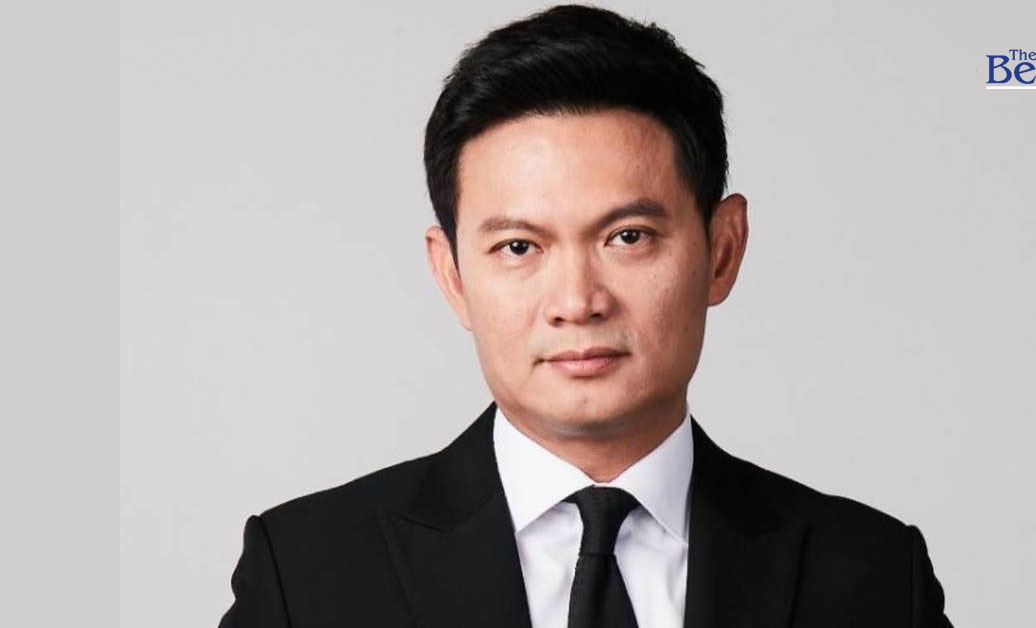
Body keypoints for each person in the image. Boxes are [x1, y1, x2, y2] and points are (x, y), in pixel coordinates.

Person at [218, 4, 953, 627]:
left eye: (627, 237)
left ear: (723, 251)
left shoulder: (875, 577)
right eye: (518, 247)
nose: (577, 302)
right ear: (452, 275)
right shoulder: (305, 575)